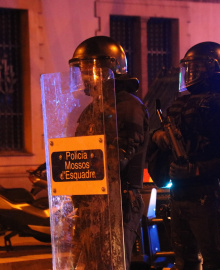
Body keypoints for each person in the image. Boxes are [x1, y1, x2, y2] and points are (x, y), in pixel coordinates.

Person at [149, 42, 220, 270]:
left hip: (209, 195)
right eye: (189, 68)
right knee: (185, 262)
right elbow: (161, 136)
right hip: (179, 195)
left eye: (197, 68)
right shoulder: (182, 103)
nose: (191, 74)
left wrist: (195, 169)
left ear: (214, 68)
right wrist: (159, 137)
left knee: (216, 261)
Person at [70, 36, 149, 270]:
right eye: (82, 71)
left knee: (109, 263)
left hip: (119, 199)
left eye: (89, 70)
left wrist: (85, 166)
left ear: (109, 71)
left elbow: (118, 157)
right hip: (91, 201)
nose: (85, 77)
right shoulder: (92, 109)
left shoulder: (127, 106)